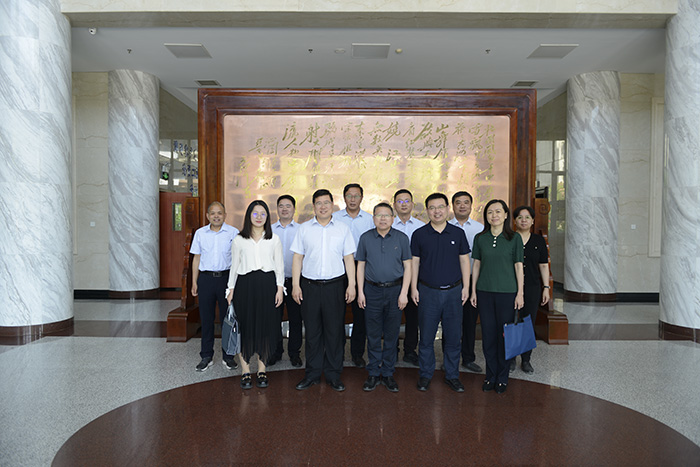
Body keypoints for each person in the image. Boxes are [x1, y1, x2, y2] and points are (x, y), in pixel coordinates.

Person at [292, 189, 356, 392]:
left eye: (326, 203)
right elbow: (297, 258)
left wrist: (352, 285)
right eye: (318, 203)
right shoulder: (304, 229)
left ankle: (333, 375)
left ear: (332, 205)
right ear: (313, 206)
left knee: (334, 332)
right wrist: (295, 285)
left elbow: (348, 258)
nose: (323, 207)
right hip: (309, 287)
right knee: (312, 333)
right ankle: (312, 374)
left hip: (335, 287)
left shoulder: (343, 229)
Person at [411, 193, 471, 393]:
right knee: (426, 338)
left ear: (447, 209)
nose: (436, 211)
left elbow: (464, 261)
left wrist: (466, 287)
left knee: (453, 337)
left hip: (454, 292)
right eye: (432, 207)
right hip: (427, 292)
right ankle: (425, 375)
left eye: (440, 207)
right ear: (427, 211)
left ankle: (452, 375)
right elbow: (415, 263)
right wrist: (413, 288)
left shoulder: (457, 233)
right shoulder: (419, 234)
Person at [226, 200, 285, 389]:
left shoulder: (274, 239)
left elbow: (280, 266)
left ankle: (261, 370)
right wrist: (230, 289)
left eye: (263, 214)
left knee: (265, 328)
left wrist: (280, 288)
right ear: (248, 216)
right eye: (255, 213)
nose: (259, 217)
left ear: (267, 217)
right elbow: (234, 266)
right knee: (245, 327)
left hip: (268, 285)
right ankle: (245, 371)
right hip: (245, 286)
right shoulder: (239, 239)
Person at [470, 199, 524, 395]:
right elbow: (476, 265)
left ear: (506, 215)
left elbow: (518, 266)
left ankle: (502, 377)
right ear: (486, 216)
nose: (494, 215)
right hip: (484, 292)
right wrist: (473, 290)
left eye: (498, 211)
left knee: (504, 336)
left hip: (507, 293)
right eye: (490, 212)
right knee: (488, 335)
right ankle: (490, 375)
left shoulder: (514, 238)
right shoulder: (480, 238)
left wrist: (520, 293)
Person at [356, 203, 412, 392]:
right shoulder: (365, 238)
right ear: (373, 218)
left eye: (386, 215)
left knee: (391, 334)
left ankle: (388, 373)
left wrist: (404, 292)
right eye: (379, 215)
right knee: (372, 334)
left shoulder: (401, 238)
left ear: (392, 218)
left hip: (395, 291)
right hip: (371, 291)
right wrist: (361, 291)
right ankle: (373, 373)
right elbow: (361, 265)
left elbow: (408, 266)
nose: (382, 219)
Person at [190, 201, 240, 372]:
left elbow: (239, 259)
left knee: (229, 319)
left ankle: (228, 356)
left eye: (220, 213)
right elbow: (196, 258)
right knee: (206, 319)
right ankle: (206, 356)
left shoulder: (233, 233)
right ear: (208, 216)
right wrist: (194, 282)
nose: (216, 216)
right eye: (213, 213)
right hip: (206, 279)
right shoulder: (200, 233)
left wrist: (235, 285)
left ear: (225, 215)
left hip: (226, 279)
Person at [332, 183, 374, 368]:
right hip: (338, 267)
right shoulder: (334, 218)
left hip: (362, 267)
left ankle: (357, 353)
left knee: (360, 312)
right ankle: (338, 351)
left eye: (356, 196)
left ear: (362, 198)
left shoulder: (370, 219)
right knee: (337, 313)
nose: (353, 199)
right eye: (349, 196)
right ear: (344, 198)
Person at [448, 191, 484, 373]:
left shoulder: (480, 228)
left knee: (470, 321)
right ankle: (449, 358)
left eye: (466, 202)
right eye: (458, 202)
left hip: (472, 279)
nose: (462, 206)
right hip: (451, 280)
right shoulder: (445, 227)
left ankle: (468, 358)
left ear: (471, 206)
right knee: (449, 322)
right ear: (452, 206)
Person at [512, 205, 551, 374]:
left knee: (527, 323)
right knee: (512, 322)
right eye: (520, 217)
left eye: (527, 217)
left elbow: (543, 265)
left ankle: (526, 359)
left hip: (532, 288)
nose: (523, 220)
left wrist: (546, 287)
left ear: (533, 221)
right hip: (510, 287)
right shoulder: (509, 238)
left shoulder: (538, 241)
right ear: (514, 220)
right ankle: (511, 358)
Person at [392, 189, 425, 367]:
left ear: (412, 204)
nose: (403, 204)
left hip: (415, 278)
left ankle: (410, 351)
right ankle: (392, 350)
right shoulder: (388, 225)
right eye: (400, 201)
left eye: (407, 201)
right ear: (394, 205)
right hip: (394, 278)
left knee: (413, 317)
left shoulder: (421, 227)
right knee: (393, 316)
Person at [269, 195, 303, 368]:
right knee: (274, 318)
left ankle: (294, 353)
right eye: (281, 206)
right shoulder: (269, 230)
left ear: (294, 209)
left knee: (296, 318)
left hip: (295, 281)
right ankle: (275, 352)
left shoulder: (301, 230)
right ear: (277, 209)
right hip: (274, 282)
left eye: (288, 206)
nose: (284, 209)